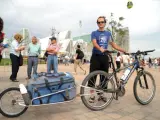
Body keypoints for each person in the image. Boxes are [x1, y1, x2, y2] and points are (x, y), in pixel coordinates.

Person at [88, 16, 126, 102]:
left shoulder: (108, 34)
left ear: (105, 23)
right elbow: (94, 43)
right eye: (99, 22)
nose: (100, 23)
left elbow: (114, 45)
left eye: (102, 22)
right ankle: (92, 95)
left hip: (105, 57)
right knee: (92, 77)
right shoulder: (94, 33)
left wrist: (123, 50)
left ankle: (101, 95)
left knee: (104, 77)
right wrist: (100, 48)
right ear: (97, 23)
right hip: (95, 57)